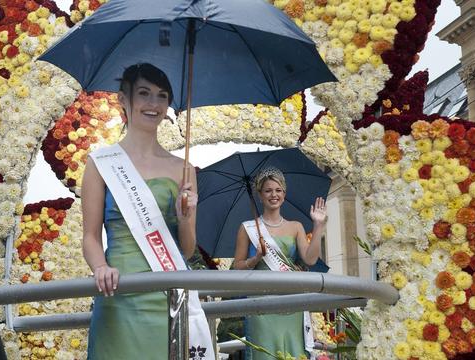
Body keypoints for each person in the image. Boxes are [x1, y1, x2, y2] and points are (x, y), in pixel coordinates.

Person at [82, 63, 211, 359]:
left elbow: (188, 249)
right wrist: (100, 267)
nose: (154, 104)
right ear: (123, 99)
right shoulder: (101, 163)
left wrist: (185, 216)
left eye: (162, 96)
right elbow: (89, 236)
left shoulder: (184, 169)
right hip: (118, 294)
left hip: (170, 297)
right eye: (144, 94)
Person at [233, 168, 327, 360]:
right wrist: (256, 259)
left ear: (284, 194)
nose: (273, 195)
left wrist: (318, 226)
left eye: (278, 190)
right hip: (261, 305)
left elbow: (310, 259)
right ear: (260, 195)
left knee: (294, 352)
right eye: (268, 190)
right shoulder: (247, 228)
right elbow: (237, 267)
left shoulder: (296, 227)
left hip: (292, 302)